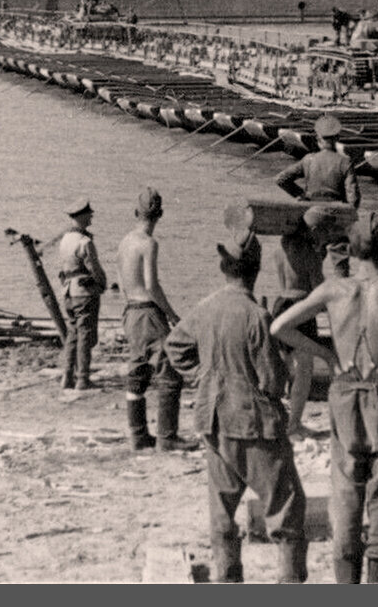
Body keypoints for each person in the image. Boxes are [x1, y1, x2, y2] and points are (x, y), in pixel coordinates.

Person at [270, 212, 378, 584]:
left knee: (346, 492)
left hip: (345, 391)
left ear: (351, 250)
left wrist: (324, 353)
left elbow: (280, 326)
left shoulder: (334, 289)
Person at [165, 227, 308, 584]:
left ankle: (228, 580)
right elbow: (272, 381)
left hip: (214, 420)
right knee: (287, 511)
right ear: (256, 269)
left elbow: (175, 345)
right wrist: (288, 369)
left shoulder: (206, 306)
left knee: (223, 511)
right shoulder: (257, 316)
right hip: (254, 424)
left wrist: (204, 377)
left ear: (223, 267)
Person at [119, 188, 193, 451]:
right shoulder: (149, 244)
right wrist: (172, 314)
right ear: (160, 214)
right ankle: (167, 437)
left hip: (130, 312)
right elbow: (151, 285)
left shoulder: (125, 241)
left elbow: (122, 281)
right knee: (170, 374)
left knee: (137, 372)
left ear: (135, 212)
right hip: (148, 312)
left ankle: (138, 435)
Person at [263, 204, 338, 436]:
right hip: (301, 310)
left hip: (280, 305)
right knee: (304, 369)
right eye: (325, 231)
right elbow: (319, 289)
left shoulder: (282, 246)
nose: (328, 236)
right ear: (314, 229)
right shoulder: (310, 254)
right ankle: (294, 423)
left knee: (284, 365)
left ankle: (276, 418)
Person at [57, 198, 110, 392]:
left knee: (72, 334)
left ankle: (67, 376)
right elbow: (94, 269)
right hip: (84, 293)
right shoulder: (85, 242)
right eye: (89, 214)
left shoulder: (65, 239)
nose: (91, 216)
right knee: (85, 336)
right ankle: (82, 378)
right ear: (81, 216)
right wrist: (102, 284)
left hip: (68, 292)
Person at [276, 114, 361, 207]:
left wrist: (302, 195)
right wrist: (348, 211)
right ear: (337, 138)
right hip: (336, 209)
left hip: (311, 208)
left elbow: (280, 179)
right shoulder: (345, 162)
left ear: (318, 139)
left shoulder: (308, 159)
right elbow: (353, 197)